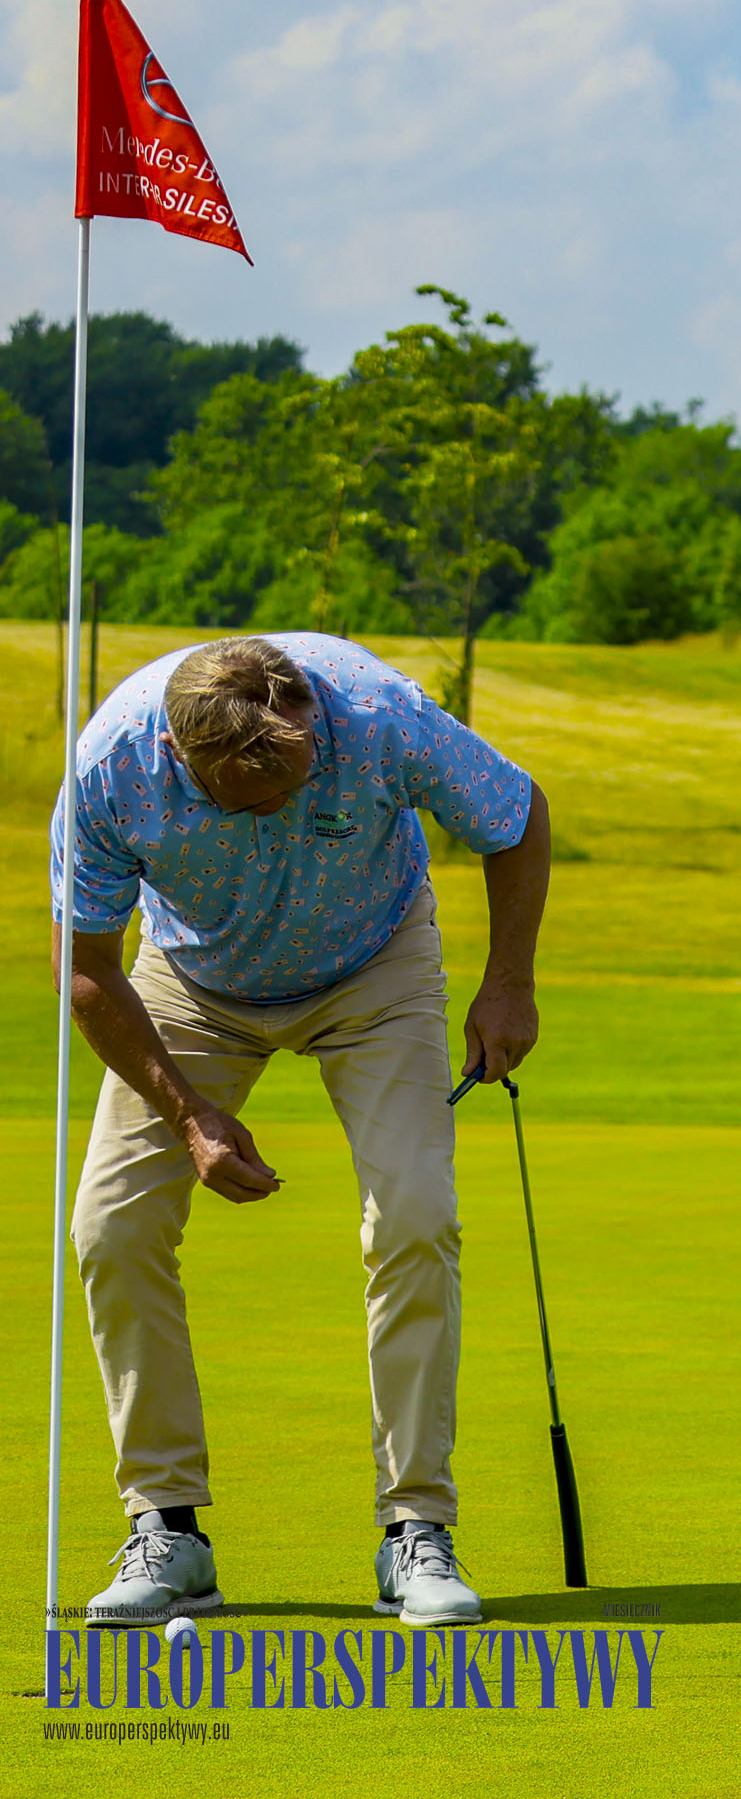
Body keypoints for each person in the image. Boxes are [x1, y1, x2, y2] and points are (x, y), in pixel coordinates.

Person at [55, 634, 549, 1631]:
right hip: (191, 980)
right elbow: (90, 968)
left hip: (375, 965)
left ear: (308, 723)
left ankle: (417, 1528)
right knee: (111, 1225)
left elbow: (517, 811)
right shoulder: (112, 767)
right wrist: (188, 1111)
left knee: (413, 1210)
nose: (276, 806)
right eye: (247, 797)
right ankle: (169, 1529)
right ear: (181, 756)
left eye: (288, 779)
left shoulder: (377, 715)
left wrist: (509, 983)